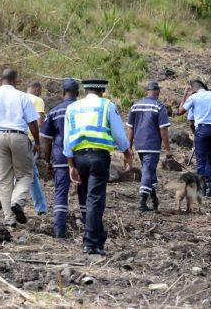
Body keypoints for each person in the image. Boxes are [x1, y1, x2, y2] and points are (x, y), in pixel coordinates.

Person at [64, 78, 133, 255]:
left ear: (85, 91)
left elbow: (67, 139)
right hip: (98, 157)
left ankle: (98, 237)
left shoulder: (72, 108)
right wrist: (126, 152)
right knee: (95, 199)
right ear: (102, 91)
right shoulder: (106, 105)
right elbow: (118, 133)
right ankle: (90, 242)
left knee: (87, 198)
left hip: (79, 156)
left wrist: (71, 165)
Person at [0, 69, 40, 227]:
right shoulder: (22, 96)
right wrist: (37, 142)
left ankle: (10, 220)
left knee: (3, 180)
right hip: (18, 136)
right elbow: (32, 122)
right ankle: (17, 201)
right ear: (15, 80)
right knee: (25, 175)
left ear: (1, 79)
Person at [40, 78, 81, 238]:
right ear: (77, 94)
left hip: (61, 158)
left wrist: (48, 160)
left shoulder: (54, 111)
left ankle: (59, 230)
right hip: (81, 157)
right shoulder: (83, 109)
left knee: (61, 193)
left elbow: (47, 139)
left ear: (63, 93)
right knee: (84, 192)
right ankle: (89, 228)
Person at [178, 79, 211, 197]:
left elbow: (180, 111)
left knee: (201, 160)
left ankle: (205, 188)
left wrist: (185, 94)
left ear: (193, 88)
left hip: (202, 129)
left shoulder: (194, 97)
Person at [127, 81, 172, 212]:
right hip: (152, 144)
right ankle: (142, 202)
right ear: (157, 93)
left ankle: (154, 199)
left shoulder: (135, 106)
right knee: (147, 170)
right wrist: (168, 150)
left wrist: (129, 147)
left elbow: (130, 128)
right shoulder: (159, 107)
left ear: (146, 91)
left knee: (150, 171)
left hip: (139, 144)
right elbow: (163, 131)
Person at [26, 81, 47, 215]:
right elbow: (40, 122)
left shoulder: (20, 97)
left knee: (32, 173)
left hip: (14, 137)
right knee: (28, 173)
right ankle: (40, 207)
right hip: (30, 138)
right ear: (37, 89)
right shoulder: (37, 100)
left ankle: (41, 207)